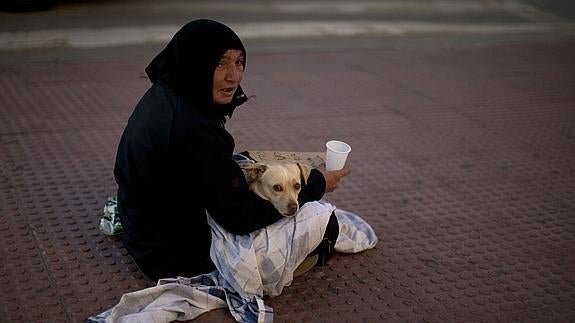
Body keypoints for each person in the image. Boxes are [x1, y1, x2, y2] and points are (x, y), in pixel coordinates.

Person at [113, 19, 351, 281]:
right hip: (174, 256)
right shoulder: (193, 126)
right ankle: (279, 271)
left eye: (239, 62)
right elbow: (238, 218)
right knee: (327, 223)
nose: (234, 76)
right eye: (219, 63)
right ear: (194, 63)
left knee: (253, 168)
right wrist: (316, 184)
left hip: (142, 230)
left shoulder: (167, 92)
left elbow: (203, 169)